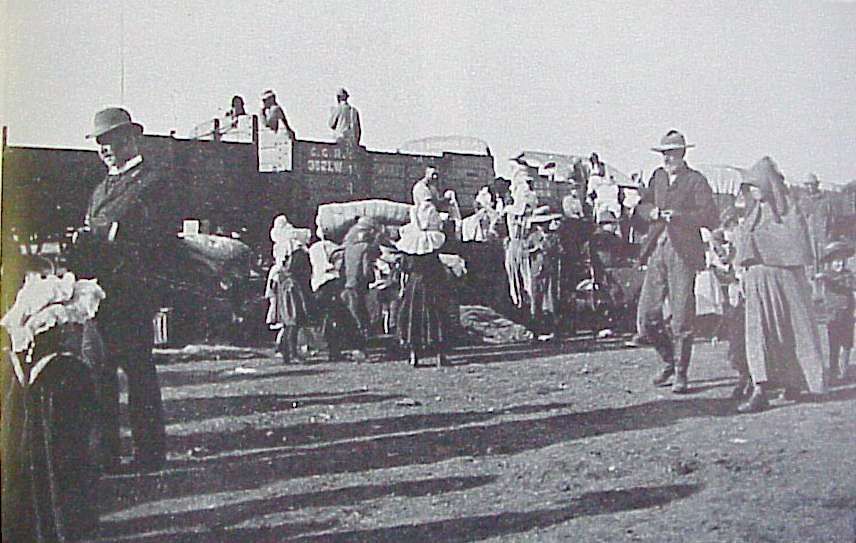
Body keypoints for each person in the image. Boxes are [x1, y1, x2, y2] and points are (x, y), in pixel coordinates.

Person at [73, 107, 176, 472]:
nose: (105, 148)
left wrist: (110, 234)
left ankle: (149, 455)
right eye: (100, 142)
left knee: (138, 376)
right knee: (97, 376)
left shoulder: (154, 181)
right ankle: (105, 454)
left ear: (132, 138)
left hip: (131, 296)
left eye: (111, 139)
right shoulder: (100, 188)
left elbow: (160, 237)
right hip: (97, 299)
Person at [734, 157, 826, 413]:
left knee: (792, 330)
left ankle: (795, 381)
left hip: (785, 282)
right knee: (758, 334)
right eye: (749, 187)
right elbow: (743, 249)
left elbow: (795, 245)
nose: (752, 191)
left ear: (767, 185)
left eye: (755, 186)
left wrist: (760, 244)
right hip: (757, 281)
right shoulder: (752, 215)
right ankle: (760, 387)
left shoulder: (789, 211)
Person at [632, 130, 718, 393]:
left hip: (683, 253)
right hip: (657, 249)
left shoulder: (695, 180)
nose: (668, 158)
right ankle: (668, 360)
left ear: (683, 154)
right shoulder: (657, 177)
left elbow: (709, 215)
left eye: (673, 153)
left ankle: (681, 372)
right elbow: (642, 207)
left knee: (681, 318)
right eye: (665, 154)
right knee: (647, 317)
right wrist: (652, 212)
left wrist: (678, 215)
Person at [396, 214, 450, 367]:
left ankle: (414, 355)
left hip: (414, 285)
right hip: (432, 283)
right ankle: (440, 355)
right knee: (436, 316)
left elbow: (404, 270)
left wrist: (402, 288)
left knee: (414, 317)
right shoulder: (433, 253)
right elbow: (439, 270)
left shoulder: (408, 253)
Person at [265, 236, 312, 363]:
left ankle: (287, 354)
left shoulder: (280, 274)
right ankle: (292, 354)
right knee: (292, 325)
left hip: (286, 299)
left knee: (289, 325)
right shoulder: (289, 277)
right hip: (290, 299)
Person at [815, 240, 855, 382]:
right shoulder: (827, 275)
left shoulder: (848, 275)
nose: (840, 264)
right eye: (837, 261)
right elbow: (825, 286)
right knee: (834, 344)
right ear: (830, 262)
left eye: (843, 260)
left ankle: (844, 370)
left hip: (848, 314)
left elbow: (848, 286)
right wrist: (822, 279)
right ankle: (833, 370)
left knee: (847, 344)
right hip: (833, 316)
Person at [341, 216, 380, 362]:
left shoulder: (348, 246)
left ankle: (357, 348)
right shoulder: (365, 248)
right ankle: (360, 349)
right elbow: (366, 271)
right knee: (360, 317)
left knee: (354, 315)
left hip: (347, 284)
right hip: (358, 286)